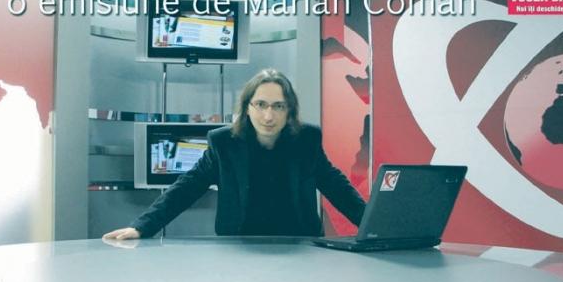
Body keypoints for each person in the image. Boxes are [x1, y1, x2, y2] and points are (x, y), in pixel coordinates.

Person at [102, 68, 365, 240]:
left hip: (299, 243)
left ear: (289, 111)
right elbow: (185, 188)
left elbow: (336, 187)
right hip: (239, 244)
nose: (268, 116)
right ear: (247, 107)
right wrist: (142, 226)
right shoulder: (224, 143)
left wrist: (373, 228)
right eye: (260, 104)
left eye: (278, 106)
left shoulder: (306, 139)